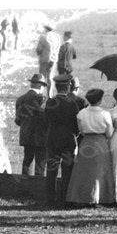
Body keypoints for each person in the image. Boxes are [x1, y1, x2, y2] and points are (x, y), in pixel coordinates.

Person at [40, 74, 84, 208]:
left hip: (52, 139)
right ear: (68, 87)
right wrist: (74, 135)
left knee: (51, 171)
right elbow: (76, 125)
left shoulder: (49, 102)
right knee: (67, 172)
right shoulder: (72, 104)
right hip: (68, 140)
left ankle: (50, 200)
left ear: (56, 86)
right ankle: (64, 200)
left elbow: (45, 121)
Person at [65, 88, 114, 206]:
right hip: (100, 142)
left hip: (86, 142)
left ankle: (81, 197)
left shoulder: (81, 113)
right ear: (100, 100)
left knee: (83, 171)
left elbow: (81, 130)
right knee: (99, 171)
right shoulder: (105, 114)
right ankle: (99, 197)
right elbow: (109, 133)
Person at [15, 73, 48, 176]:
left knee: (27, 162)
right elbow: (46, 118)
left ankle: (25, 186)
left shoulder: (21, 99)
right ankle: (38, 188)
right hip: (41, 136)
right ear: (40, 85)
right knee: (40, 165)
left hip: (26, 134)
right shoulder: (42, 99)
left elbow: (17, 120)